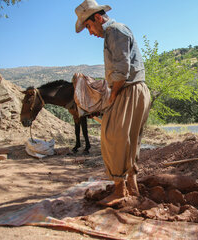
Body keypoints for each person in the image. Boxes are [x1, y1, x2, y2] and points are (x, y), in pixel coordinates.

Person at [75, 0, 151, 205]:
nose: (90, 32)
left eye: (89, 26)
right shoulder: (118, 31)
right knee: (130, 140)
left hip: (127, 90)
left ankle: (119, 190)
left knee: (112, 137)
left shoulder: (114, 31)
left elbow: (121, 69)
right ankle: (132, 188)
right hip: (137, 89)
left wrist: (112, 94)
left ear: (98, 18)